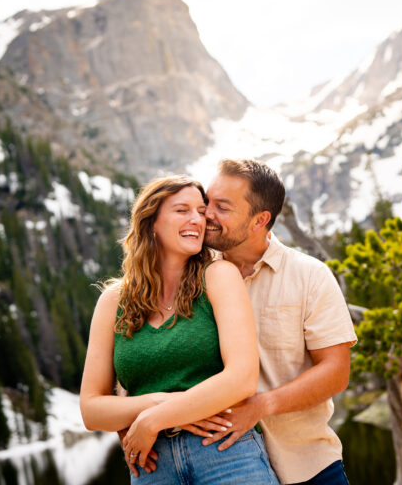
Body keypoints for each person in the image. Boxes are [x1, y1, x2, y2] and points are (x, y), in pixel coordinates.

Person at [79, 175, 279, 484]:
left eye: (201, 210)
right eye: (182, 210)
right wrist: (155, 407)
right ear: (151, 222)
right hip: (152, 465)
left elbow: (242, 378)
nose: (198, 219)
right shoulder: (112, 301)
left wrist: (155, 418)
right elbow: (91, 410)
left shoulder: (218, 276)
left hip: (224, 453)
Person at [190, 159, 357, 484]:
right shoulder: (190, 277)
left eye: (222, 207)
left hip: (309, 467)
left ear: (260, 220)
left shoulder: (310, 275)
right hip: (221, 468)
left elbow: (336, 372)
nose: (207, 213)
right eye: (207, 201)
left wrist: (261, 406)